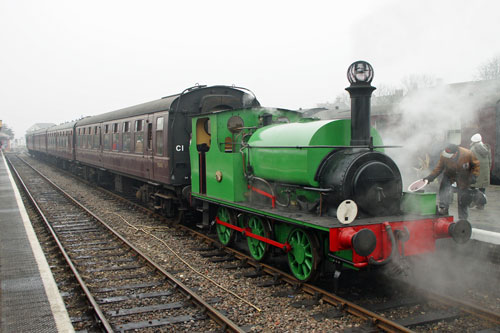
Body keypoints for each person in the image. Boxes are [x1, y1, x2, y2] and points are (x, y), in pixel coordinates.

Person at [422, 143, 480, 220]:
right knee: (444, 188)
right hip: (449, 175)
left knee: (463, 198)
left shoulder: (467, 154)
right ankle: (444, 209)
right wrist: (430, 177)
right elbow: (439, 168)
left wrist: (474, 176)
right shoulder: (444, 155)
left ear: (455, 153)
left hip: (464, 177)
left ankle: (463, 219)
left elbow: (476, 165)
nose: (448, 157)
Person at [469, 133, 492, 209]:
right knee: (482, 188)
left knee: (472, 187)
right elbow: (490, 161)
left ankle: (472, 202)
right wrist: (488, 170)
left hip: (476, 171)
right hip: (485, 171)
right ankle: (481, 205)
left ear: (473, 141)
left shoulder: (472, 149)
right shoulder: (486, 148)